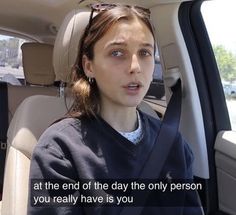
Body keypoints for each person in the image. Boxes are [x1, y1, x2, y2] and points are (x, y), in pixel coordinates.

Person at [27, 3, 203, 215]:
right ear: (88, 65)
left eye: (145, 52)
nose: (135, 67)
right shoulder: (58, 150)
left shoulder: (174, 145)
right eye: (117, 53)